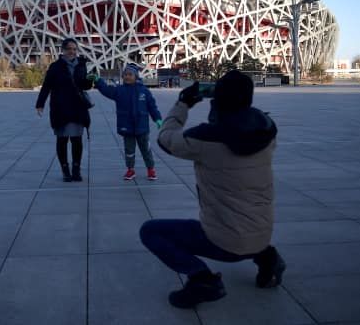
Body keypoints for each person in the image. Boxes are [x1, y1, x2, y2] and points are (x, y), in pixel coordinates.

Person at [139, 70, 285, 309]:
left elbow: (165, 138)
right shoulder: (267, 131)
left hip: (225, 242)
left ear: (218, 98)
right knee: (245, 221)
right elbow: (241, 125)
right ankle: (269, 258)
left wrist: (183, 104)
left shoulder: (206, 138)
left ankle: (202, 280)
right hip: (262, 234)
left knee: (151, 232)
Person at [87, 64, 162, 180]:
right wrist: (98, 81)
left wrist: (157, 118)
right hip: (127, 127)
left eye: (130, 74)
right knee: (129, 151)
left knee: (146, 150)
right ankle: (130, 170)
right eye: (125, 74)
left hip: (142, 127)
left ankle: (151, 169)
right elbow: (107, 91)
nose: (127, 77)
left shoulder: (144, 91)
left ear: (136, 76)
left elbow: (152, 106)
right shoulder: (120, 90)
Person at [36, 38, 93, 182]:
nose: (72, 52)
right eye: (69, 49)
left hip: (77, 106)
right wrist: (40, 103)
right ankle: (65, 169)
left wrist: (90, 80)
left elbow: (84, 86)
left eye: (74, 49)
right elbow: (47, 85)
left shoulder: (81, 65)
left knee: (76, 139)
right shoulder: (55, 67)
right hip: (60, 107)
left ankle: (76, 169)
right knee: (62, 139)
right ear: (63, 50)